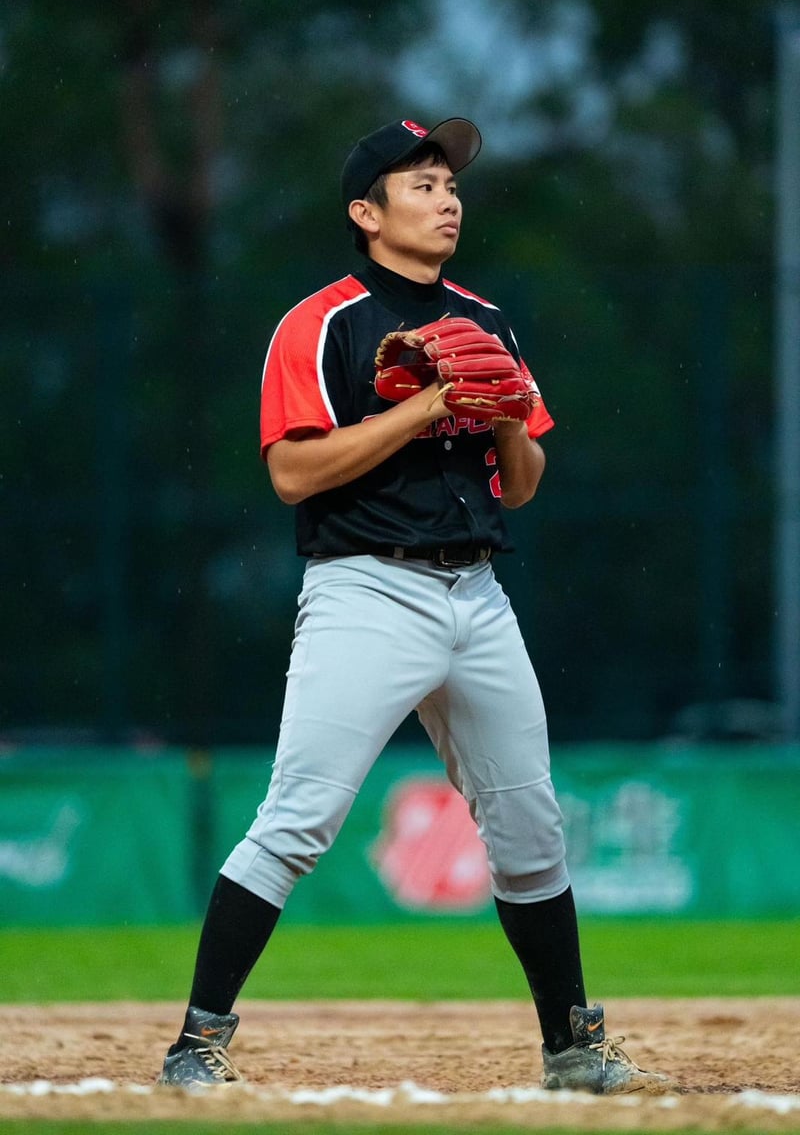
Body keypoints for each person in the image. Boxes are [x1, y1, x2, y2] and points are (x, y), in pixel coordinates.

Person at [157, 117, 670, 1095]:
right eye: (420, 183)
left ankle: (569, 1046)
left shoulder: (487, 322)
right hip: (365, 589)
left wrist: (506, 415)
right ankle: (196, 1044)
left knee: (529, 827)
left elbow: (520, 482)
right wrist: (423, 410)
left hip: (478, 594)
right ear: (365, 211)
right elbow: (291, 472)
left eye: (448, 184)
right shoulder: (322, 323)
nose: (445, 199)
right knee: (297, 819)